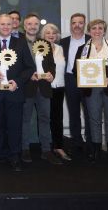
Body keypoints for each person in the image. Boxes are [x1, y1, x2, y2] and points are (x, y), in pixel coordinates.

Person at [74, 19, 108, 166]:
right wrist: (85, 78)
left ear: (104, 31)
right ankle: (96, 150)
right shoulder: (82, 49)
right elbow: (76, 70)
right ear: (89, 30)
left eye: (100, 28)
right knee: (94, 120)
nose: (97, 31)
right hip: (91, 89)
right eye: (94, 28)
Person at [0, 14, 35, 172]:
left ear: (13, 25)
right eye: (3, 24)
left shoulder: (20, 43)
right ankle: (0, 154)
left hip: (15, 92)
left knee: (15, 126)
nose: (6, 26)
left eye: (9, 24)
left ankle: (15, 156)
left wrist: (18, 82)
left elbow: (30, 67)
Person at [19, 14, 61, 165]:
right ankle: (24, 149)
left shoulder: (45, 43)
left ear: (38, 26)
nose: (32, 26)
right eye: (29, 24)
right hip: (26, 88)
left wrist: (51, 75)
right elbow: (16, 67)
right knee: (25, 120)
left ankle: (46, 151)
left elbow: (51, 65)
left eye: (35, 24)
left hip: (44, 88)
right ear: (24, 26)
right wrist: (29, 75)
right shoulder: (18, 43)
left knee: (45, 119)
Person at [60, 13, 92, 156]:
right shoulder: (63, 42)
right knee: (73, 113)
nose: (77, 25)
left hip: (88, 80)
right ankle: (77, 143)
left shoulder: (93, 40)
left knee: (89, 112)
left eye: (80, 22)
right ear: (71, 25)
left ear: (84, 24)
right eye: (74, 22)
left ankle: (90, 143)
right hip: (70, 80)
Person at [41, 23, 71, 161]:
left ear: (57, 35)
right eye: (48, 33)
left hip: (59, 87)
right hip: (44, 88)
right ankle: (46, 147)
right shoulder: (39, 48)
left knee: (57, 118)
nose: (51, 35)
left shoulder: (61, 48)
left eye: (53, 33)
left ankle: (58, 146)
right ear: (43, 35)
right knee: (45, 118)